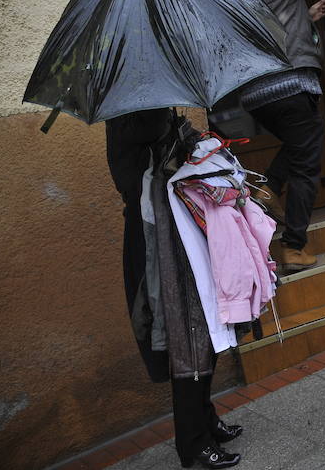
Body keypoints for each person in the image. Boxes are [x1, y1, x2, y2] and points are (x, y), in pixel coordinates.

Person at [106, 109, 243, 469]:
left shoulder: (155, 112)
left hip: (184, 238)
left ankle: (205, 420)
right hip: (160, 245)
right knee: (186, 340)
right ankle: (193, 442)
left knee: (205, 334)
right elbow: (157, 134)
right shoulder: (130, 120)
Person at [217, 0, 325, 273]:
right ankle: (294, 246)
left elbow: (270, 30)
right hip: (289, 86)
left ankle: (267, 188)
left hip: (257, 96)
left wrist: (305, 17)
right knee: (308, 165)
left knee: (300, 145)